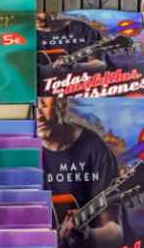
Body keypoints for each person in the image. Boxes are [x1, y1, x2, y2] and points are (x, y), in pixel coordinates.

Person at [37, 96, 123, 247]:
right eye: (32, 106)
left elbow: (115, 234)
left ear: (60, 102)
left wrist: (89, 236)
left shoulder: (94, 148)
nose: (38, 115)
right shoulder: (18, 148)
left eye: (44, 104)